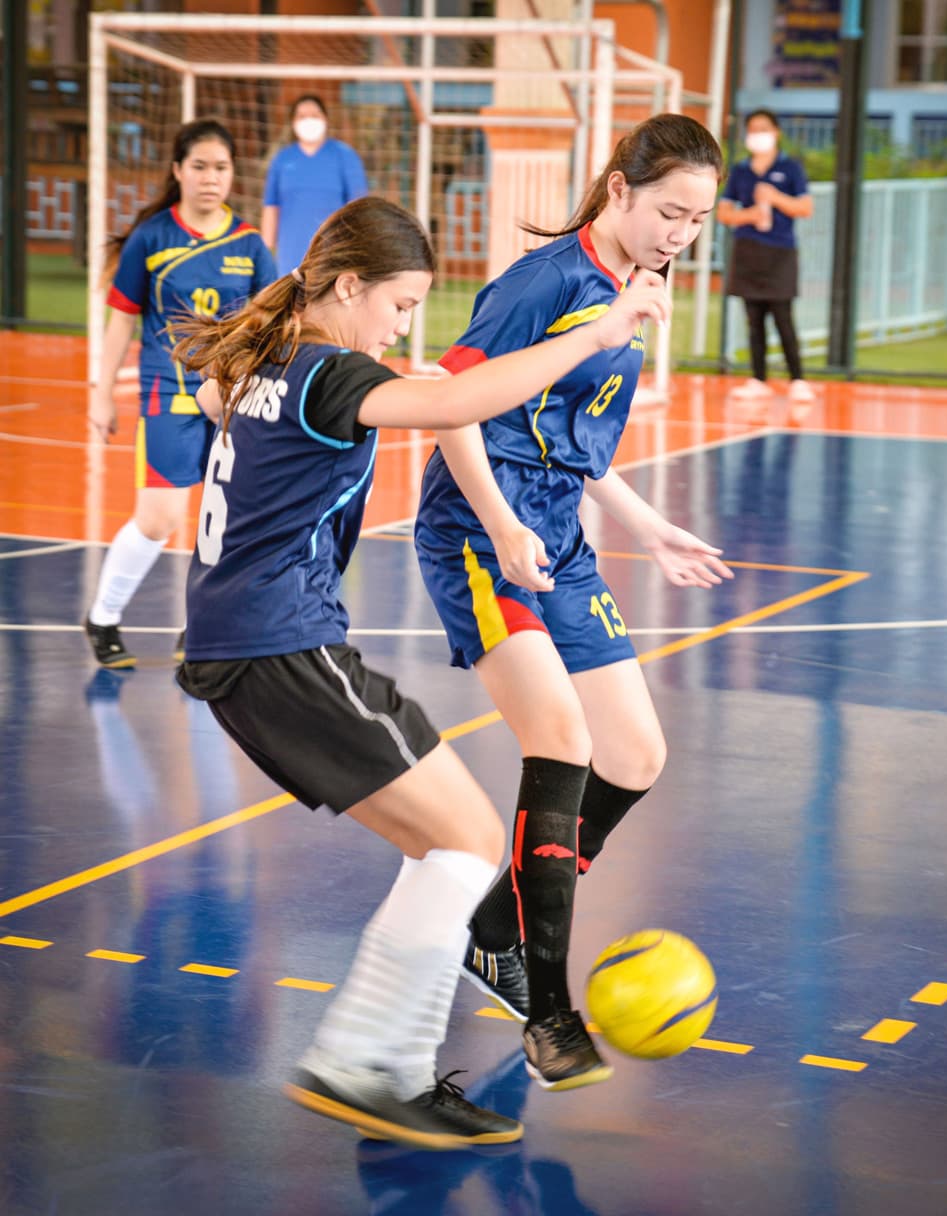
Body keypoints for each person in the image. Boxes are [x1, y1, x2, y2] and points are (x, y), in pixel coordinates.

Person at [171, 195, 670, 1148]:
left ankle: (385, 1067)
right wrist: (598, 331)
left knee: (452, 845)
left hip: (238, 645)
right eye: (399, 306)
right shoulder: (326, 371)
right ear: (349, 287)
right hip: (285, 649)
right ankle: (363, 1063)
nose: (405, 327)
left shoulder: (257, 360)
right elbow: (455, 402)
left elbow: (210, 397)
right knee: (470, 843)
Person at [412, 113, 734, 1093]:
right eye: (671, 212)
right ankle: (545, 1011)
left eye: (697, 221)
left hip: (558, 540)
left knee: (635, 753)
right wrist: (504, 527)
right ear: (620, 190)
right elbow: (446, 398)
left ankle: (497, 925)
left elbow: (576, 440)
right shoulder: (546, 282)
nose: (682, 234)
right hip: (479, 535)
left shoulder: (639, 286)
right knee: (562, 739)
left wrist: (647, 526)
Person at [85, 119, 277, 669]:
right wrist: (101, 394)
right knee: (161, 516)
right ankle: (102, 617)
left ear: (232, 174)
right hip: (166, 392)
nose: (210, 178)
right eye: (199, 167)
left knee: (226, 515)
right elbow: (120, 321)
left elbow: (269, 326)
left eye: (220, 167)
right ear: (177, 171)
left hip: (231, 397)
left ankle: (201, 626)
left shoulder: (248, 243)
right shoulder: (150, 238)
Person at [716, 109, 814, 400]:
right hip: (748, 250)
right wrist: (749, 215)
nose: (758, 134)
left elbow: (805, 208)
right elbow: (724, 212)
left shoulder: (791, 168)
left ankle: (797, 379)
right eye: (753, 129)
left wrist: (775, 197)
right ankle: (758, 379)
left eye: (764, 128)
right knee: (753, 318)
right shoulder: (741, 170)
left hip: (781, 251)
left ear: (776, 132)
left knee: (783, 316)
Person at [261, 94, 368, 278]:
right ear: (293, 123)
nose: (309, 120)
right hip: (290, 255)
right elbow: (271, 207)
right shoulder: (282, 159)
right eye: (302, 116)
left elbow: (358, 206)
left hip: (333, 253)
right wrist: (264, 253)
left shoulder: (344, 156)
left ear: (325, 119)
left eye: (315, 114)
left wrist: (356, 248)